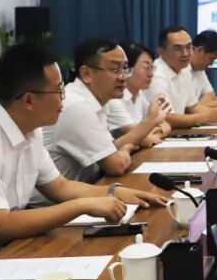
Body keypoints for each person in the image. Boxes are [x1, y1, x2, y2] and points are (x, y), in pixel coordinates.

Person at [0, 44, 168, 247]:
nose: (63, 100)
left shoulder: (31, 127)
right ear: (28, 101)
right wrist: (81, 206)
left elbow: (60, 187)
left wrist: (115, 192)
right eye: (59, 91)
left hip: (19, 241)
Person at [43, 37, 169, 184]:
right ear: (86, 74)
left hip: (85, 188)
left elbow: (110, 150)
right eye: (115, 69)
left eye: (125, 68)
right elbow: (116, 165)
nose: (123, 77)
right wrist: (128, 147)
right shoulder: (77, 106)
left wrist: (122, 149)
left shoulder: (101, 99)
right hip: (59, 196)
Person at [145, 26, 217, 129]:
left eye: (189, 47)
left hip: (176, 133)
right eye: (178, 49)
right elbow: (167, 118)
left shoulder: (184, 70)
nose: (185, 53)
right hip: (159, 134)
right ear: (161, 51)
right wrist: (207, 116)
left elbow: (192, 107)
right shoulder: (156, 75)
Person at [106, 41, 172, 144]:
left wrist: (156, 132)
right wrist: (155, 133)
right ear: (127, 68)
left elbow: (166, 126)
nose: (151, 74)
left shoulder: (139, 94)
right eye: (146, 68)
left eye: (152, 68)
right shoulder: (113, 100)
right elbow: (144, 138)